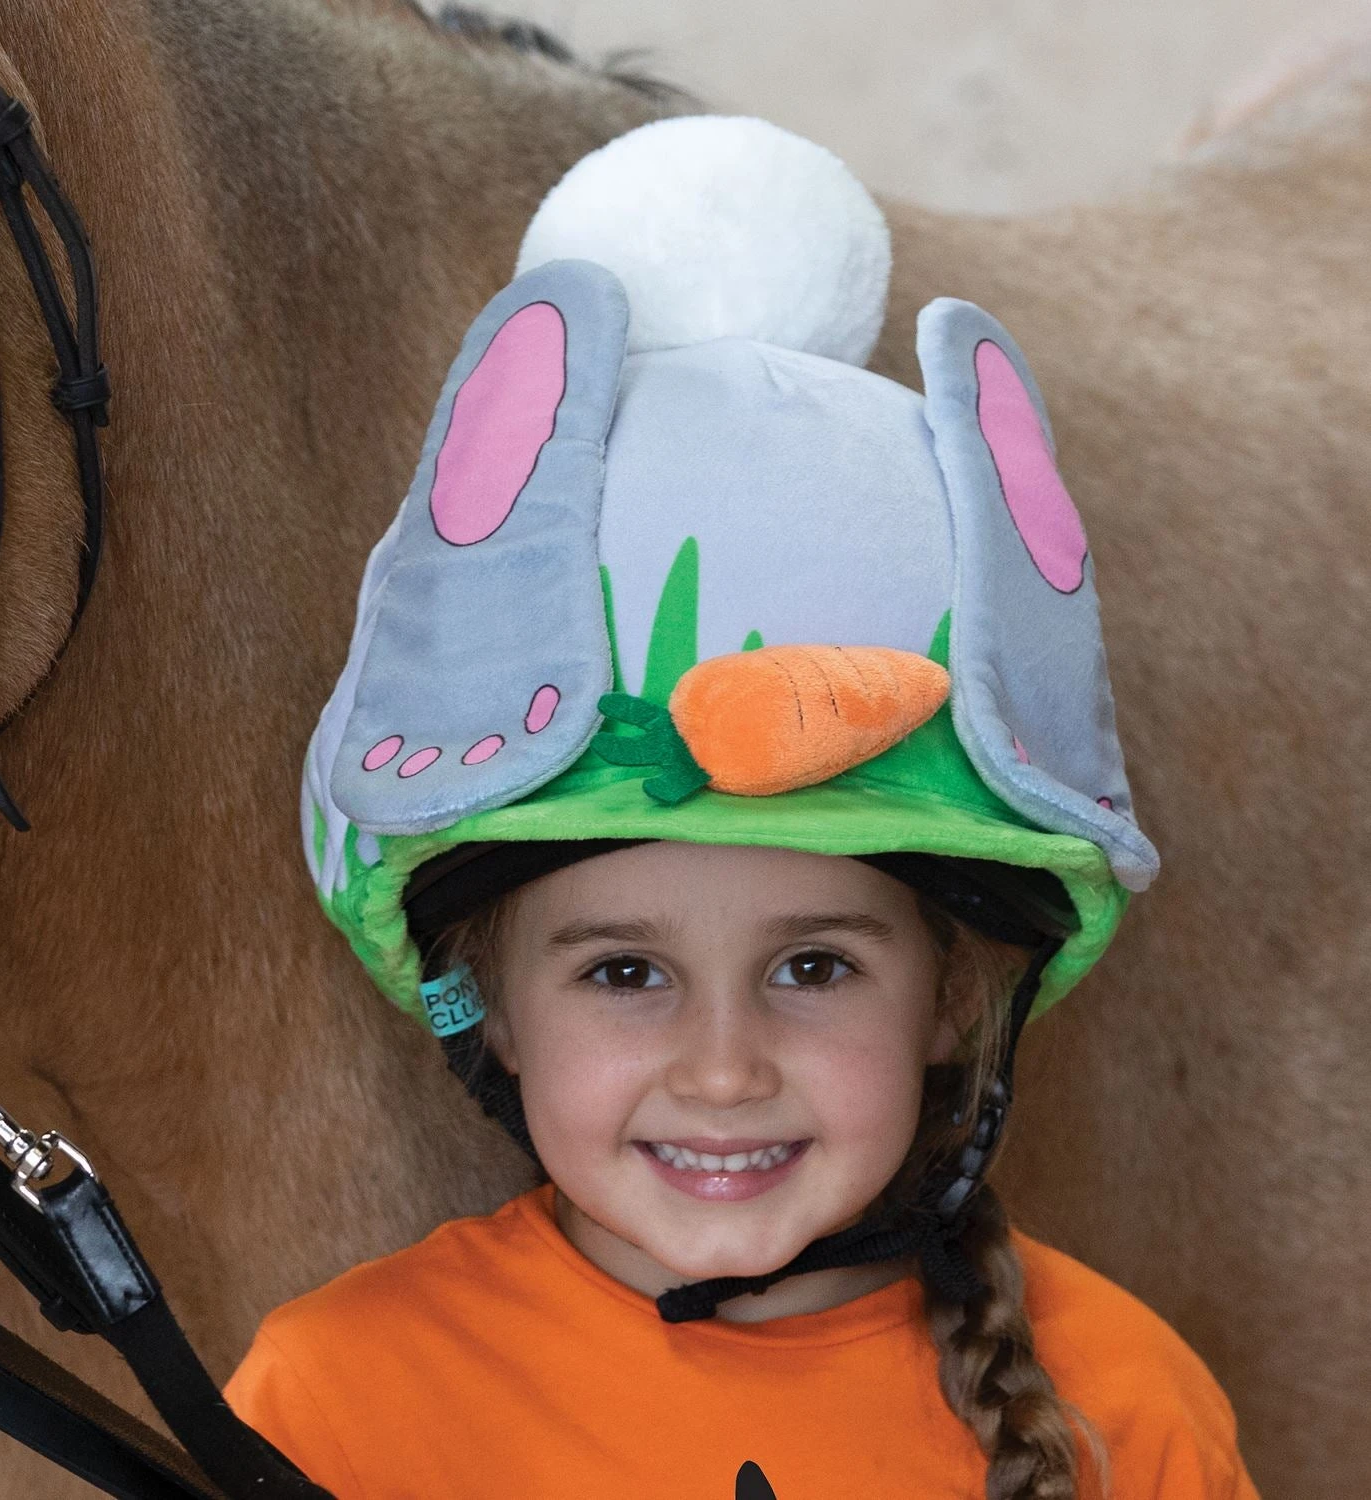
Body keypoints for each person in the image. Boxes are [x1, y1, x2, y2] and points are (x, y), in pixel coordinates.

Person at [225, 117, 1260, 1499]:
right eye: (625, 972)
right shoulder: (334, 1406)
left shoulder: (1134, 1408)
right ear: (491, 1007)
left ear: (953, 995)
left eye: (814, 967)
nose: (724, 1072)